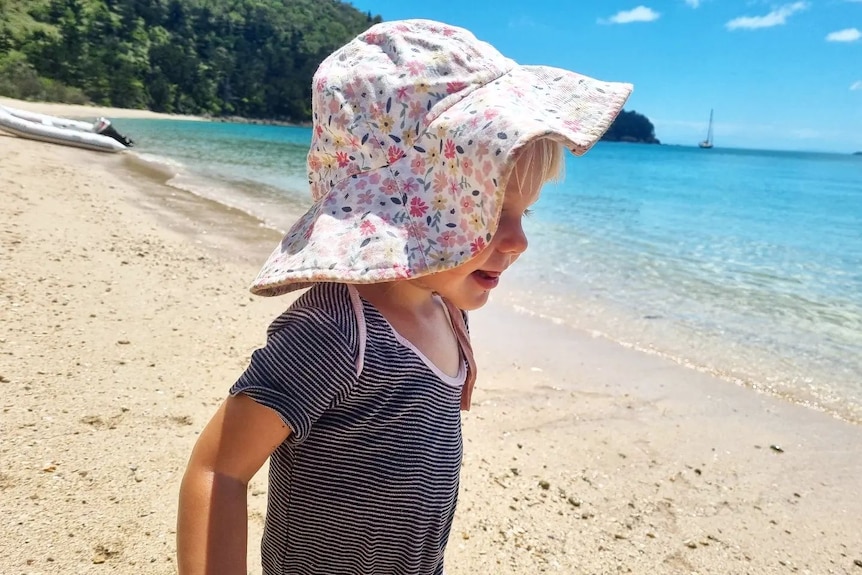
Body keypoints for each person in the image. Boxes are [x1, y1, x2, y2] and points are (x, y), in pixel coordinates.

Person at [176, 18, 631, 575]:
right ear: (407, 212)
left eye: (524, 212)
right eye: (490, 213)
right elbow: (218, 470)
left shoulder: (449, 310)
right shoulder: (337, 333)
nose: (519, 241)